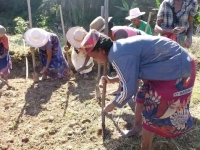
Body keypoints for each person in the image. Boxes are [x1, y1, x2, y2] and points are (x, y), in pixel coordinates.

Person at [67, 28, 196, 150]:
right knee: (141, 97)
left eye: (94, 57)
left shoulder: (116, 55)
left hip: (176, 67)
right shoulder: (117, 49)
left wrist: (112, 104)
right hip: (164, 67)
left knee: (151, 112)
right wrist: (113, 80)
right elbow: (130, 73)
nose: (96, 60)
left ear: (101, 50)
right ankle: (137, 128)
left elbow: (130, 88)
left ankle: (145, 145)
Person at [90, 16, 146, 95]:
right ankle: (122, 89)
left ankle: (134, 92)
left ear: (103, 31)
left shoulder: (119, 34)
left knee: (133, 67)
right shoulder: (110, 36)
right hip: (136, 48)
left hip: (143, 47)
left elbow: (123, 57)